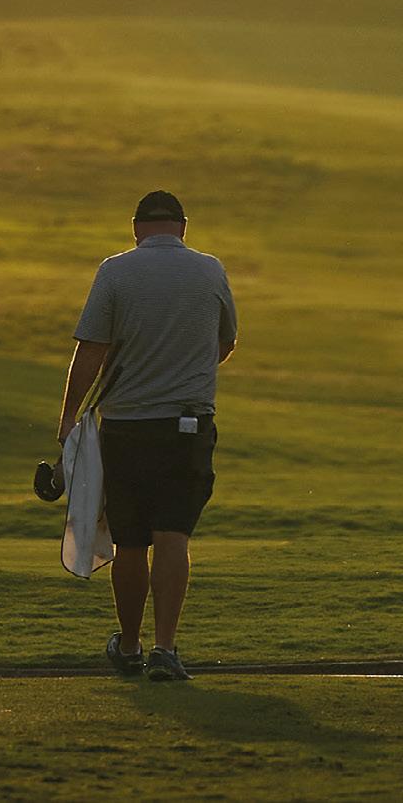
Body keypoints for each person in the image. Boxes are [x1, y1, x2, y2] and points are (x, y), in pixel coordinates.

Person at [58, 190, 238, 683]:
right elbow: (225, 342)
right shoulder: (210, 270)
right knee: (173, 535)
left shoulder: (115, 271)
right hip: (186, 426)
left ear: (136, 227)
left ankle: (130, 645)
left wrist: (68, 418)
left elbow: (91, 350)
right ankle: (165, 648)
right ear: (183, 226)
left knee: (132, 541)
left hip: (125, 428)